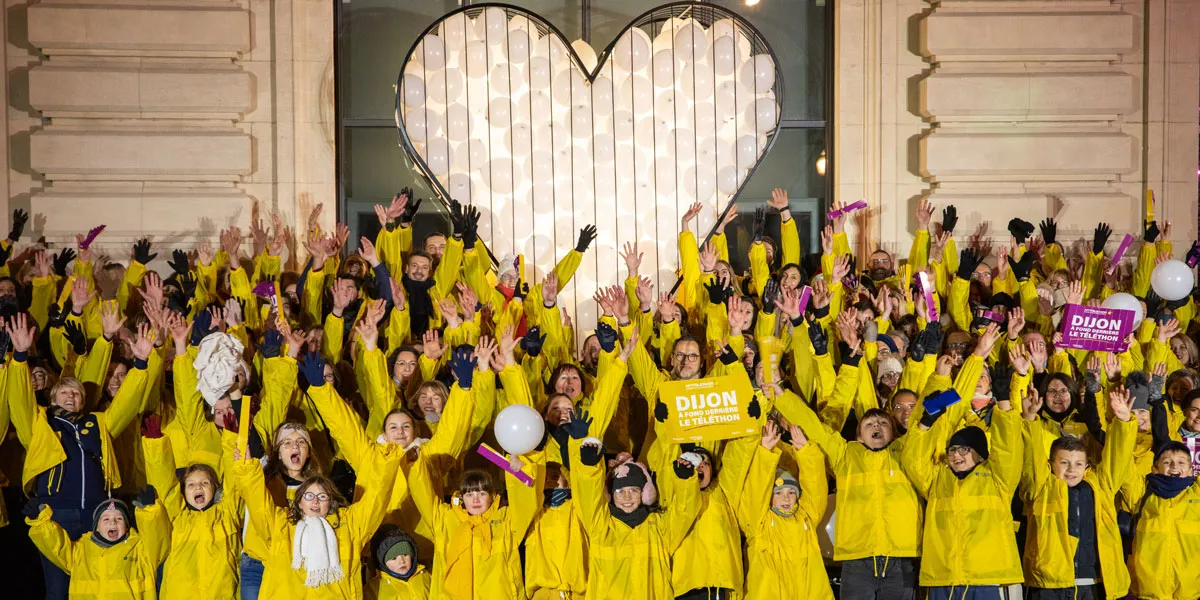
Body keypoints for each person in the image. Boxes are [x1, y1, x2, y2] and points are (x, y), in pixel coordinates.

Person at [5, 314, 153, 600]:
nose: (72, 397)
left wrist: (141, 365)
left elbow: (127, 402)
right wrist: (20, 357)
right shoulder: (39, 423)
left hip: (98, 514)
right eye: (65, 392)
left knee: (98, 585)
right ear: (52, 398)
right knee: (58, 589)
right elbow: (19, 399)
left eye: (77, 393)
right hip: (56, 514)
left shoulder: (98, 423)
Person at [902, 371, 1024, 599]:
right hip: (943, 578)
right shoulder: (937, 479)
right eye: (952, 450)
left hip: (987, 580)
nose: (957, 455)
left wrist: (1005, 404)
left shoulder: (998, 478)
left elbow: (1009, 449)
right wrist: (925, 424)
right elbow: (912, 460)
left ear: (980, 455)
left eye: (965, 449)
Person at [567, 408, 701, 599]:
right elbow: (587, 494)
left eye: (634, 491)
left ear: (645, 494)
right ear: (611, 494)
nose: (627, 497)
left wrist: (685, 481)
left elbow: (685, 510)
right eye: (620, 491)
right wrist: (589, 466)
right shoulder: (601, 524)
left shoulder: (659, 527)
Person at [1020, 385, 1137, 600]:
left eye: (1078, 464)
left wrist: (1123, 422)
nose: (1071, 469)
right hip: (1049, 584)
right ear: (1050, 464)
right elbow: (1030, 459)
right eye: (1064, 462)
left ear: (1087, 466)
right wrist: (1029, 420)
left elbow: (1118, 457)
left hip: (1095, 584)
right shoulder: (1041, 487)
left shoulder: (1100, 485)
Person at [736, 420, 833, 600]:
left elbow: (815, 489)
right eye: (778, 493)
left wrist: (806, 452)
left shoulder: (806, 519)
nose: (786, 498)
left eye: (791, 492)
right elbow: (755, 491)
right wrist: (764, 453)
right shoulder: (758, 524)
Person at [25, 488, 170, 600]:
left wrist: (150, 512)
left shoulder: (140, 550)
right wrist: (40, 521)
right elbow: (56, 546)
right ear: (97, 527)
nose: (112, 522)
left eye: (119, 519)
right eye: (105, 519)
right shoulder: (80, 550)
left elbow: (157, 537)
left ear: (127, 526)